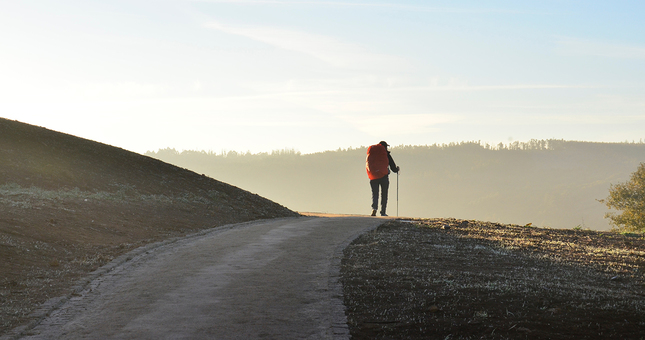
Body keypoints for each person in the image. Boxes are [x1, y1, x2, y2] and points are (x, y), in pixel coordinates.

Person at [365, 141, 400, 216]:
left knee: (375, 194)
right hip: (384, 177)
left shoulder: (372, 153)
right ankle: (383, 212)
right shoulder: (386, 154)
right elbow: (393, 167)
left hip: (373, 177)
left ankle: (374, 208)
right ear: (385, 147)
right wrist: (397, 169)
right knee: (384, 194)